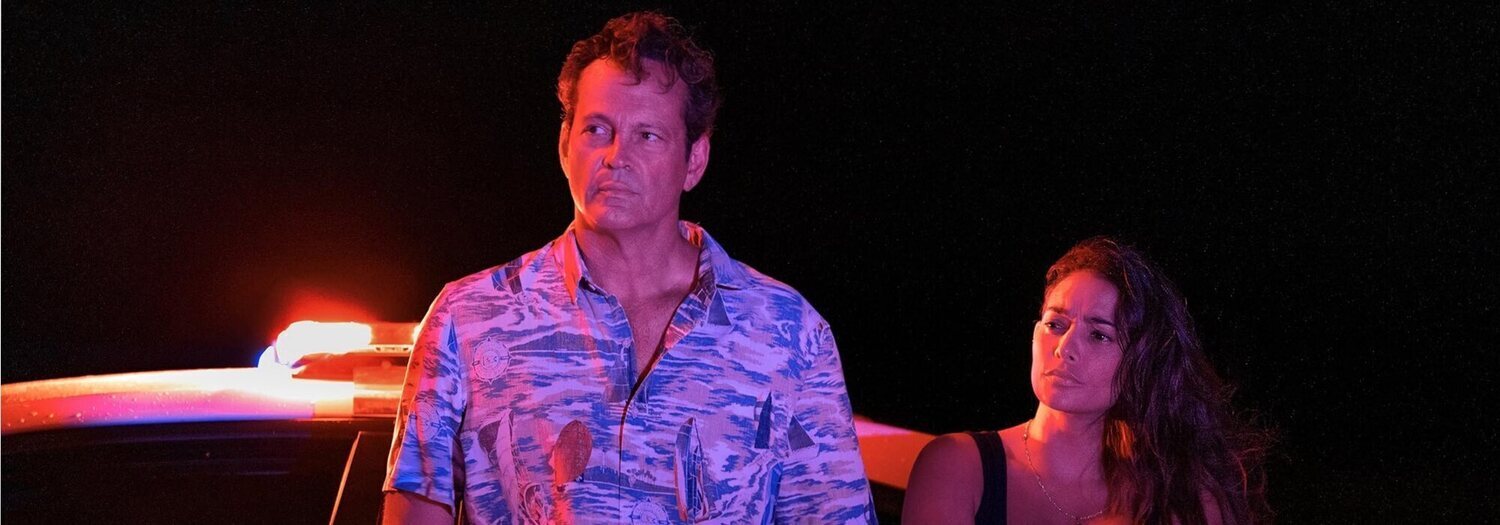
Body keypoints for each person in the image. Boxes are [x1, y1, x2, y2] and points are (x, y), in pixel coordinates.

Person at [381, 12, 875, 524]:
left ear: (695, 160)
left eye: (648, 135)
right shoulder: (468, 319)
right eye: (597, 129)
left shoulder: (789, 334)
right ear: (564, 145)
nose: (617, 156)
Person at [903, 237, 1270, 524]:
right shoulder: (957, 466)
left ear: (1141, 362)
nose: (1064, 348)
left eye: (1099, 335)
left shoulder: (1180, 499)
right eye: (1055, 324)